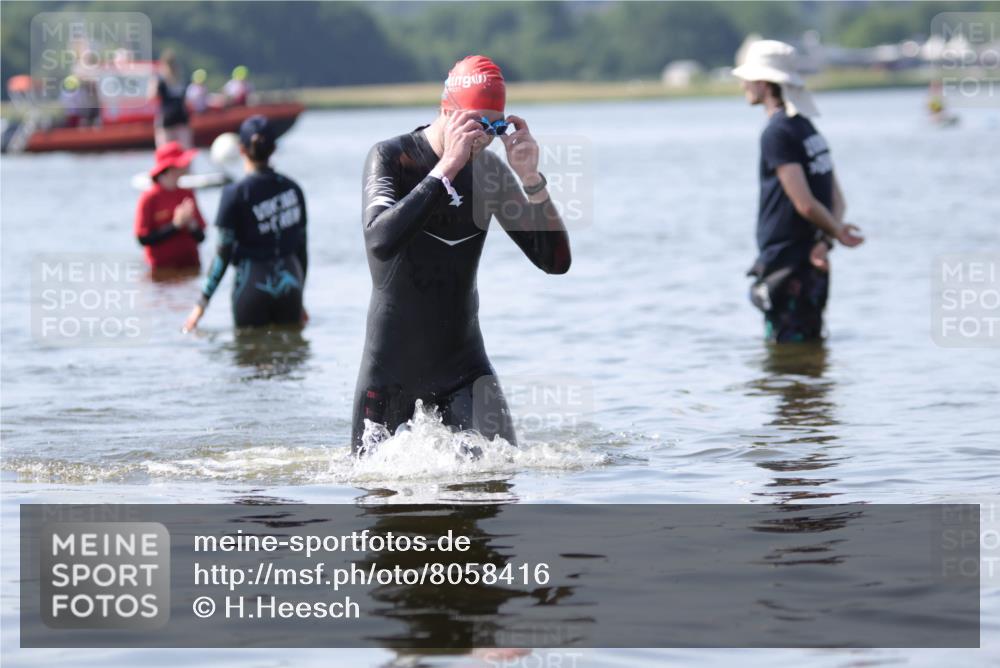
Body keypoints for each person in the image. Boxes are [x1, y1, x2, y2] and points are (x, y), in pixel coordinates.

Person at [352, 55, 571, 454]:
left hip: (463, 368)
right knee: (378, 498)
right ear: (446, 111)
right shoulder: (392, 158)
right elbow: (379, 241)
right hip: (390, 370)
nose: (483, 138)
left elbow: (555, 262)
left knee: (500, 478)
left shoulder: (490, 175)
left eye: (494, 126)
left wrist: (531, 179)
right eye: (475, 124)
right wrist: (446, 168)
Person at [732, 40, 864, 343]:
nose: (742, 85)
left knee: (786, 357)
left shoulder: (776, 133)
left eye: (746, 78)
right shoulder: (806, 127)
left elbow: (804, 203)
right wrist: (828, 239)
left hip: (788, 264)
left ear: (763, 83)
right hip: (811, 258)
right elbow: (836, 198)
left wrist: (836, 235)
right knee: (810, 347)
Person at [183, 115, 308, 331]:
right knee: (291, 359)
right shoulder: (293, 189)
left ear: (241, 149)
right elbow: (302, 250)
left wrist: (201, 304)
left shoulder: (234, 194)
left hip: (252, 284)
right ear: (274, 148)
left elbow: (222, 255)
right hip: (291, 283)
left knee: (249, 358)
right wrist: (299, 297)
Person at [134, 141, 206, 273]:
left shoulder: (187, 194)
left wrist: (192, 225)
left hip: (191, 268)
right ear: (170, 168)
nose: (186, 166)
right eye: (182, 163)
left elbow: (201, 237)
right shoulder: (149, 198)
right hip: (161, 272)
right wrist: (175, 226)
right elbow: (143, 239)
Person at [149, 49, 192, 148]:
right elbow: (152, 96)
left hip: (176, 118)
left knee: (178, 151)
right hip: (171, 119)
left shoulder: (178, 80)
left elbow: (151, 96)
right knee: (171, 151)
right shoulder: (163, 80)